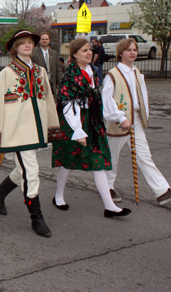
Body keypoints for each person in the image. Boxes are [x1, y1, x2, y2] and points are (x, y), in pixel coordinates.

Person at [0, 30, 59, 238]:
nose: (27, 45)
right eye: (22, 43)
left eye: (30, 42)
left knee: (23, 170)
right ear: (15, 47)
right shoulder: (6, 74)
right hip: (17, 134)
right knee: (31, 173)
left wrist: (52, 126)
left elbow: (49, 101)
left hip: (36, 132)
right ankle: (37, 218)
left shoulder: (41, 72)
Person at [51, 38, 131, 218]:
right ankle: (58, 196)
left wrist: (119, 116)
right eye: (84, 50)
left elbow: (100, 99)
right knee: (67, 160)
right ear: (74, 55)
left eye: (89, 50)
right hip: (73, 122)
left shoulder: (92, 72)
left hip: (92, 121)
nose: (89, 53)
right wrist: (77, 130)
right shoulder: (70, 75)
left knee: (98, 161)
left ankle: (110, 207)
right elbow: (67, 104)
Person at [102, 38, 171, 205]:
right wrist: (121, 117)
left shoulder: (137, 73)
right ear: (120, 53)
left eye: (134, 49)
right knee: (112, 156)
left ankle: (162, 190)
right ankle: (107, 187)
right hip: (118, 122)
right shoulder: (112, 75)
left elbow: (141, 98)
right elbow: (107, 100)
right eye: (128, 50)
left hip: (136, 120)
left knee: (144, 155)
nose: (133, 52)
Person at [32, 32, 62, 96]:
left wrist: (61, 83)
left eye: (46, 39)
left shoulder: (54, 53)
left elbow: (58, 69)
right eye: (43, 39)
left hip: (52, 85)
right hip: (40, 85)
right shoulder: (34, 53)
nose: (45, 41)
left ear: (49, 40)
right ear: (40, 41)